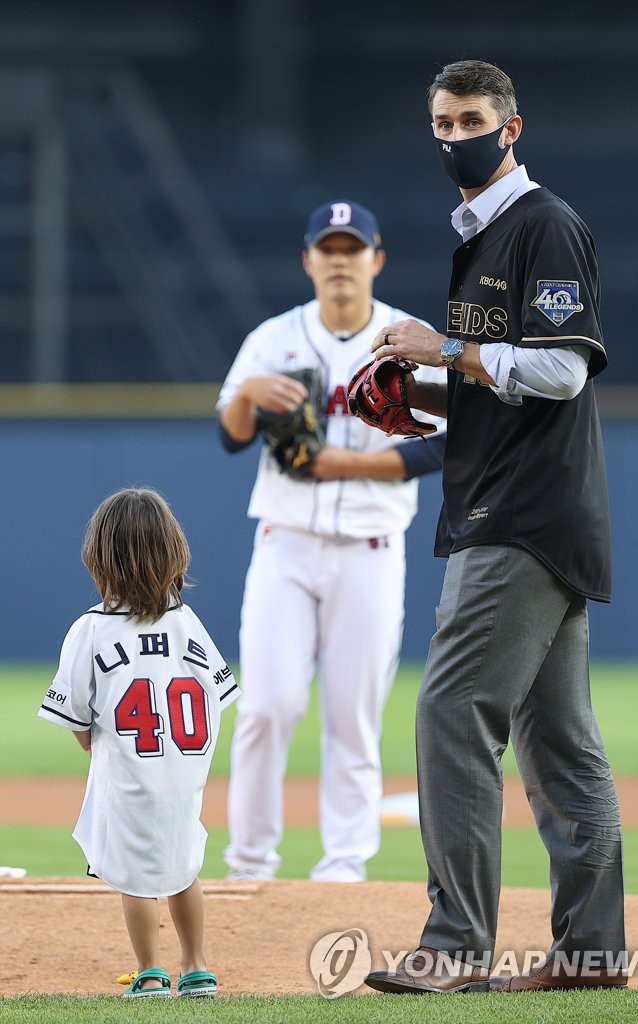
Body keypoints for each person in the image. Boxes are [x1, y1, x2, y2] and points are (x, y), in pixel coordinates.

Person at [362, 60, 627, 993]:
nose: (452, 136)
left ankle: (454, 947)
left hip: (520, 510)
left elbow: (562, 372)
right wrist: (424, 388)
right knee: (556, 738)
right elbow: (499, 380)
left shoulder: (541, 224)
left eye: (469, 118)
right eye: (439, 120)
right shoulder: (480, 232)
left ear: (511, 128)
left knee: (449, 710)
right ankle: (592, 955)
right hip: (525, 502)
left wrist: (448, 349)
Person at [216, 200, 446, 883]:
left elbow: (448, 445)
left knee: (353, 712)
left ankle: (344, 864)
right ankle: (249, 861)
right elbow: (229, 436)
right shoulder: (271, 339)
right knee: (265, 705)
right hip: (285, 542)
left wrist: (348, 465)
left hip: (370, 547)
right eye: (328, 248)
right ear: (308, 261)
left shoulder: (409, 337)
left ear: (375, 260)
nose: (340, 260)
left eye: (353, 248)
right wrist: (246, 393)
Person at [37, 488, 239, 999]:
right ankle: (196, 968)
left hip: (129, 774)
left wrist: (100, 750)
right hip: (182, 773)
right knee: (183, 868)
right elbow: (217, 695)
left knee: (135, 878)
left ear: (99, 558)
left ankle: (149, 970)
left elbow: (76, 716)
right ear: (174, 552)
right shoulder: (187, 622)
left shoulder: (91, 629)